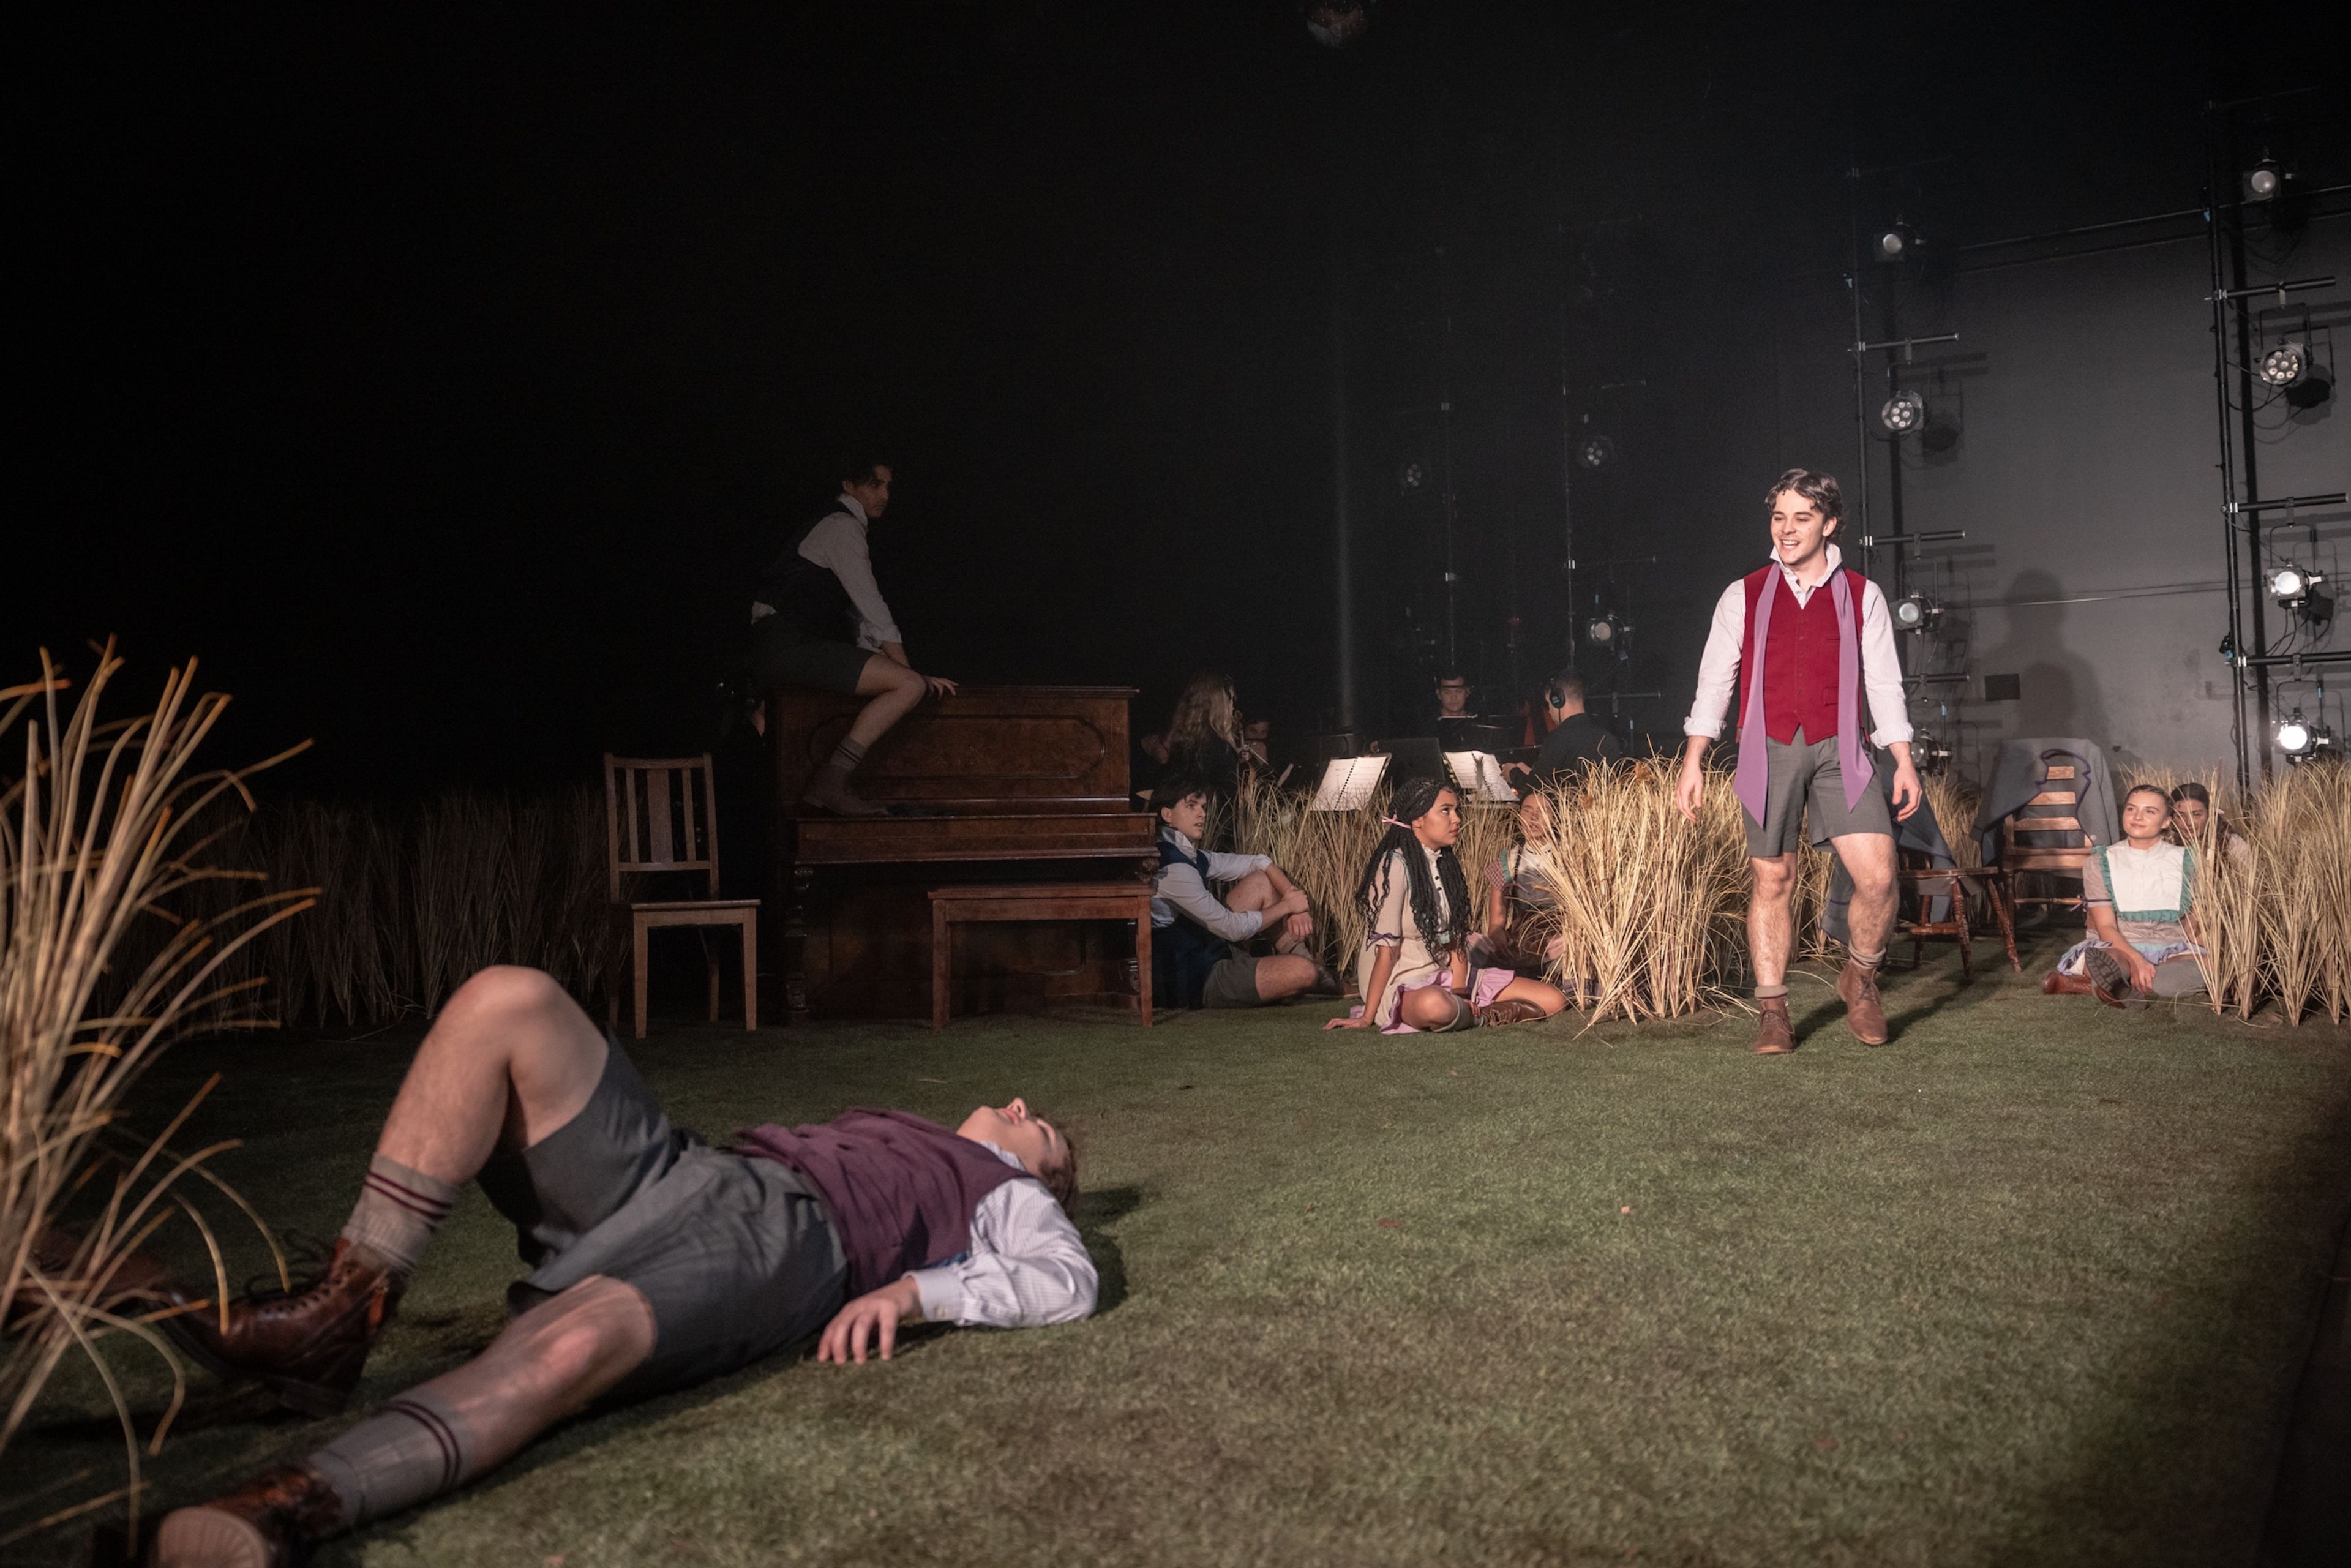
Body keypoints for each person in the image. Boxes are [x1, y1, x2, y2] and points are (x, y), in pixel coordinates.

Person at [143, 966, 1092, 1565]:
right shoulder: (917, 1130)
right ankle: (341, 1313)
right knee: (507, 1003)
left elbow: (1068, 1282)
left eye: (1041, 1127)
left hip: (786, 1244)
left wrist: (913, 1290)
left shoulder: (1008, 1193)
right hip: (695, 1171)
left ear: (1044, 1172)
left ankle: (288, 1504)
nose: (1019, 1105)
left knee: (566, 1350)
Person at [1675, 468, 1922, 1055]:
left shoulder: (1864, 594)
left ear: (1830, 524)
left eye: (1802, 518)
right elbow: (1716, 681)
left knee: (1881, 877)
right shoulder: (1745, 592)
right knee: (1774, 878)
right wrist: (1694, 760)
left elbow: (1884, 683)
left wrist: (1903, 759)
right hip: (1769, 746)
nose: (1787, 530)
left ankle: (1860, 978)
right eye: (1779, 517)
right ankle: (1773, 1010)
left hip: (1844, 746)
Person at [749, 457, 958, 816]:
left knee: (904, 682)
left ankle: (803, 793)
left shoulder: (840, 529)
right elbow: (873, 608)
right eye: (876, 485)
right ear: (849, 486)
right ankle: (831, 783)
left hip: (783, 645)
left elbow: (858, 620)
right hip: (785, 645)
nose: (885, 495)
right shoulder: (841, 529)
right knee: (907, 687)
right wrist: (912, 676)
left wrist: (900, 671)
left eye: (888, 487)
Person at [1324, 776, 1568, 1032]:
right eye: (1446, 811)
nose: (1457, 819)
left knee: (1555, 1000)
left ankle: (1474, 1011)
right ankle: (1479, 1017)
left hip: (1446, 974)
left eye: (1456, 810)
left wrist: (1461, 991)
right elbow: (1387, 952)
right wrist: (1367, 1016)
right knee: (1435, 1005)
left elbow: (1456, 943)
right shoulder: (1395, 865)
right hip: (1403, 979)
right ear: (1418, 819)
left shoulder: (1446, 864)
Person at [1149, 774, 1337, 1008]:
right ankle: (1309, 975)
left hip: (1212, 948)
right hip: (1197, 977)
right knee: (1303, 972)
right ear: (1167, 815)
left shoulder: (1189, 854)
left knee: (1261, 881)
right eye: (1191, 806)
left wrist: (1292, 896)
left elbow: (1259, 862)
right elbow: (1232, 929)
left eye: (1203, 807)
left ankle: (1313, 970)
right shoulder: (1172, 868)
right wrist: (1288, 907)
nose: (1202, 814)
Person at [2045, 784, 2207, 1007]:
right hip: (2117, 947)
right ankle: (2126, 978)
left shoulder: (2188, 860)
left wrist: (2215, 955)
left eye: (2150, 811)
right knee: (2107, 961)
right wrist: (2137, 961)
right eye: (2131, 809)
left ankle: (2113, 986)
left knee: (2208, 966)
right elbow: (2106, 928)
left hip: (2171, 949)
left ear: (2167, 821)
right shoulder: (2101, 861)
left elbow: (2192, 924)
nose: (2138, 817)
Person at [1480, 791, 1568, 974]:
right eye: (1527, 811)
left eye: (1543, 811)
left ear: (1555, 819)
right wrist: (1498, 937)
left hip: (1562, 931)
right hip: (1525, 933)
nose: (1534, 817)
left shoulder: (1570, 856)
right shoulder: (1508, 860)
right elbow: (1497, 914)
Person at [1508, 669, 1621, 794]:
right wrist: (1531, 772)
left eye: (1549, 704)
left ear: (1558, 700)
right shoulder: (1608, 739)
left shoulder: (1557, 740)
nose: (1550, 711)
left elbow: (1536, 788)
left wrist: (1513, 773)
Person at [1158, 672, 1262, 795]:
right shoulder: (1220, 748)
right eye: (1230, 700)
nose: (1233, 707)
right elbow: (1228, 799)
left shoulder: (1181, 744)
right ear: (1220, 703)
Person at [2167, 781, 2250, 865]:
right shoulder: (2166, 844)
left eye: (2197, 815)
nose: (2189, 823)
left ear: (2210, 814)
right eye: (2181, 816)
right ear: (2172, 817)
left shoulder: (2233, 844)